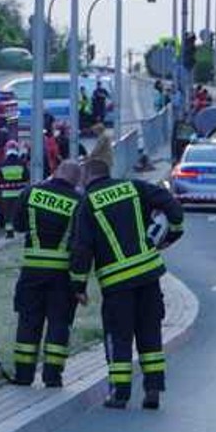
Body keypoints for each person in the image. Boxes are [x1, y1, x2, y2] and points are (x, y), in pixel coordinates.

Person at [70, 154, 184, 410]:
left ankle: (119, 394)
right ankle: (153, 390)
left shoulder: (88, 204)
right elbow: (170, 204)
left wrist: (78, 286)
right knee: (150, 335)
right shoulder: (133, 187)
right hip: (149, 277)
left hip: (117, 284)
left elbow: (82, 248)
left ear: (88, 177)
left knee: (119, 338)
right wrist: (174, 231)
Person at [10, 159, 84, 387]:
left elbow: (19, 225)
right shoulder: (79, 201)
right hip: (62, 277)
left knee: (28, 321)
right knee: (59, 324)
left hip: (31, 273)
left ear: (55, 172)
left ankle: (23, 375)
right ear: (77, 180)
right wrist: (80, 282)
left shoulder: (31, 193)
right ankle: (52, 376)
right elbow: (81, 241)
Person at [0, 142, 30, 239]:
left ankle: (9, 232)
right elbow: (26, 177)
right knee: (20, 212)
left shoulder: (2, 164)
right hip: (20, 194)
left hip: (6, 194)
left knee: (8, 214)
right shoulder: (21, 163)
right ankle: (21, 230)